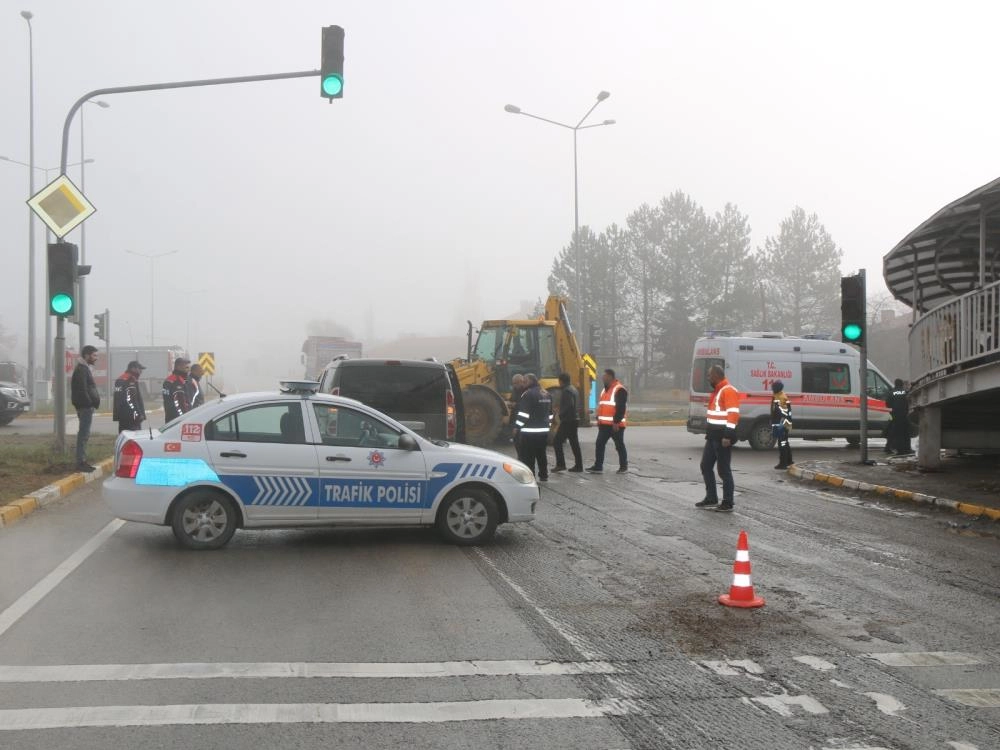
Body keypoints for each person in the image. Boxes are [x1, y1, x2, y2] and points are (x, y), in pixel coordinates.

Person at [695, 364, 740, 512]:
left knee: (723, 470)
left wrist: (728, 435)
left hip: (722, 437)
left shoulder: (728, 391)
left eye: (709, 375)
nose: (708, 378)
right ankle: (711, 498)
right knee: (706, 466)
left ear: (716, 376)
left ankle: (728, 502)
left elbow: (733, 414)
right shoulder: (718, 390)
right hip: (713, 436)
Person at [512, 373, 553, 482]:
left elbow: (523, 414)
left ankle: (530, 476)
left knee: (528, 455)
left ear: (531, 381)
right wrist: (547, 425)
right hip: (543, 431)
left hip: (529, 431)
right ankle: (544, 475)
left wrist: (517, 427)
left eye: (525, 381)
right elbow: (550, 413)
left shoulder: (528, 394)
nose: (523, 383)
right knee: (541, 453)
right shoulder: (546, 393)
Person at [587, 369, 628, 474]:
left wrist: (616, 422)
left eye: (604, 376)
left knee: (619, 445)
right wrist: (598, 418)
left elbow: (621, 408)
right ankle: (598, 466)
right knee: (599, 444)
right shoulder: (604, 390)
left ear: (610, 377)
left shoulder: (619, 389)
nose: (602, 377)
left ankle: (623, 467)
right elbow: (602, 406)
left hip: (615, 425)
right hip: (604, 425)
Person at [70, 345, 101, 472]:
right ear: (87, 355)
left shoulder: (84, 368)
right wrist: (89, 404)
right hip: (85, 407)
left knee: (84, 434)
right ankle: (81, 462)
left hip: (85, 406)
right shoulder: (82, 369)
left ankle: (82, 461)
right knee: (83, 434)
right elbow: (82, 390)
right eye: (94, 355)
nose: (96, 358)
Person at [552, 373, 583, 473]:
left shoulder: (566, 391)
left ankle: (561, 464)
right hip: (574, 419)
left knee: (556, 441)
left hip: (568, 420)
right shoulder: (573, 389)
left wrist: (560, 415)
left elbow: (569, 405)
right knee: (574, 443)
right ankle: (579, 465)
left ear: (561, 381)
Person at [113, 360, 147, 433]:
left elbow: (119, 399)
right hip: (131, 416)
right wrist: (138, 414)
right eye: (140, 369)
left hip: (123, 415)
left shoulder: (120, 379)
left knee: (124, 435)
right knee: (133, 437)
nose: (141, 371)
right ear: (133, 369)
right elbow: (132, 399)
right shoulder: (130, 380)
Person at [770, 380, 794, 470]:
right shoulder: (778, 395)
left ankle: (783, 463)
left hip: (782, 424)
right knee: (784, 443)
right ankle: (789, 461)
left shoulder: (781, 397)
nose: (772, 388)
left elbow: (783, 413)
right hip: (781, 423)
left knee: (782, 443)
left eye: (773, 387)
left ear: (777, 388)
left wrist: (781, 425)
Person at [885, 378, 911, 455]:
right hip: (905, 415)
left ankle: (889, 447)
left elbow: (888, 404)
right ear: (902, 384)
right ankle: (906, 448)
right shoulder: (905, 392)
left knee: (893, 432)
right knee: (905, 432)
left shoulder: (891, 392)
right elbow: (909, 401)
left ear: (895, 384)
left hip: (895, 415)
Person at [162, 357, 191, 423]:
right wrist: (184, 418)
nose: (188, 369)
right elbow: (179, 403)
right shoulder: (177, 381)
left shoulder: (169, 379)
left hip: (169, 417)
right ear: (178, 367)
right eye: (186, 367)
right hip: (177, 420)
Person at [509, 373, 528, 460]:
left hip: (522, 419)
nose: (514, 385)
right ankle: (520, 457)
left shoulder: (526, 391)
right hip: (515, 416)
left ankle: (523, 457)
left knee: (521, 441)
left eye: (516, 383)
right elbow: (512, 399)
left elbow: (525, 405)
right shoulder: (515, 390)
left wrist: (515, 405)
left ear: (521, 381)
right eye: (513, 383)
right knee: (516, 440)